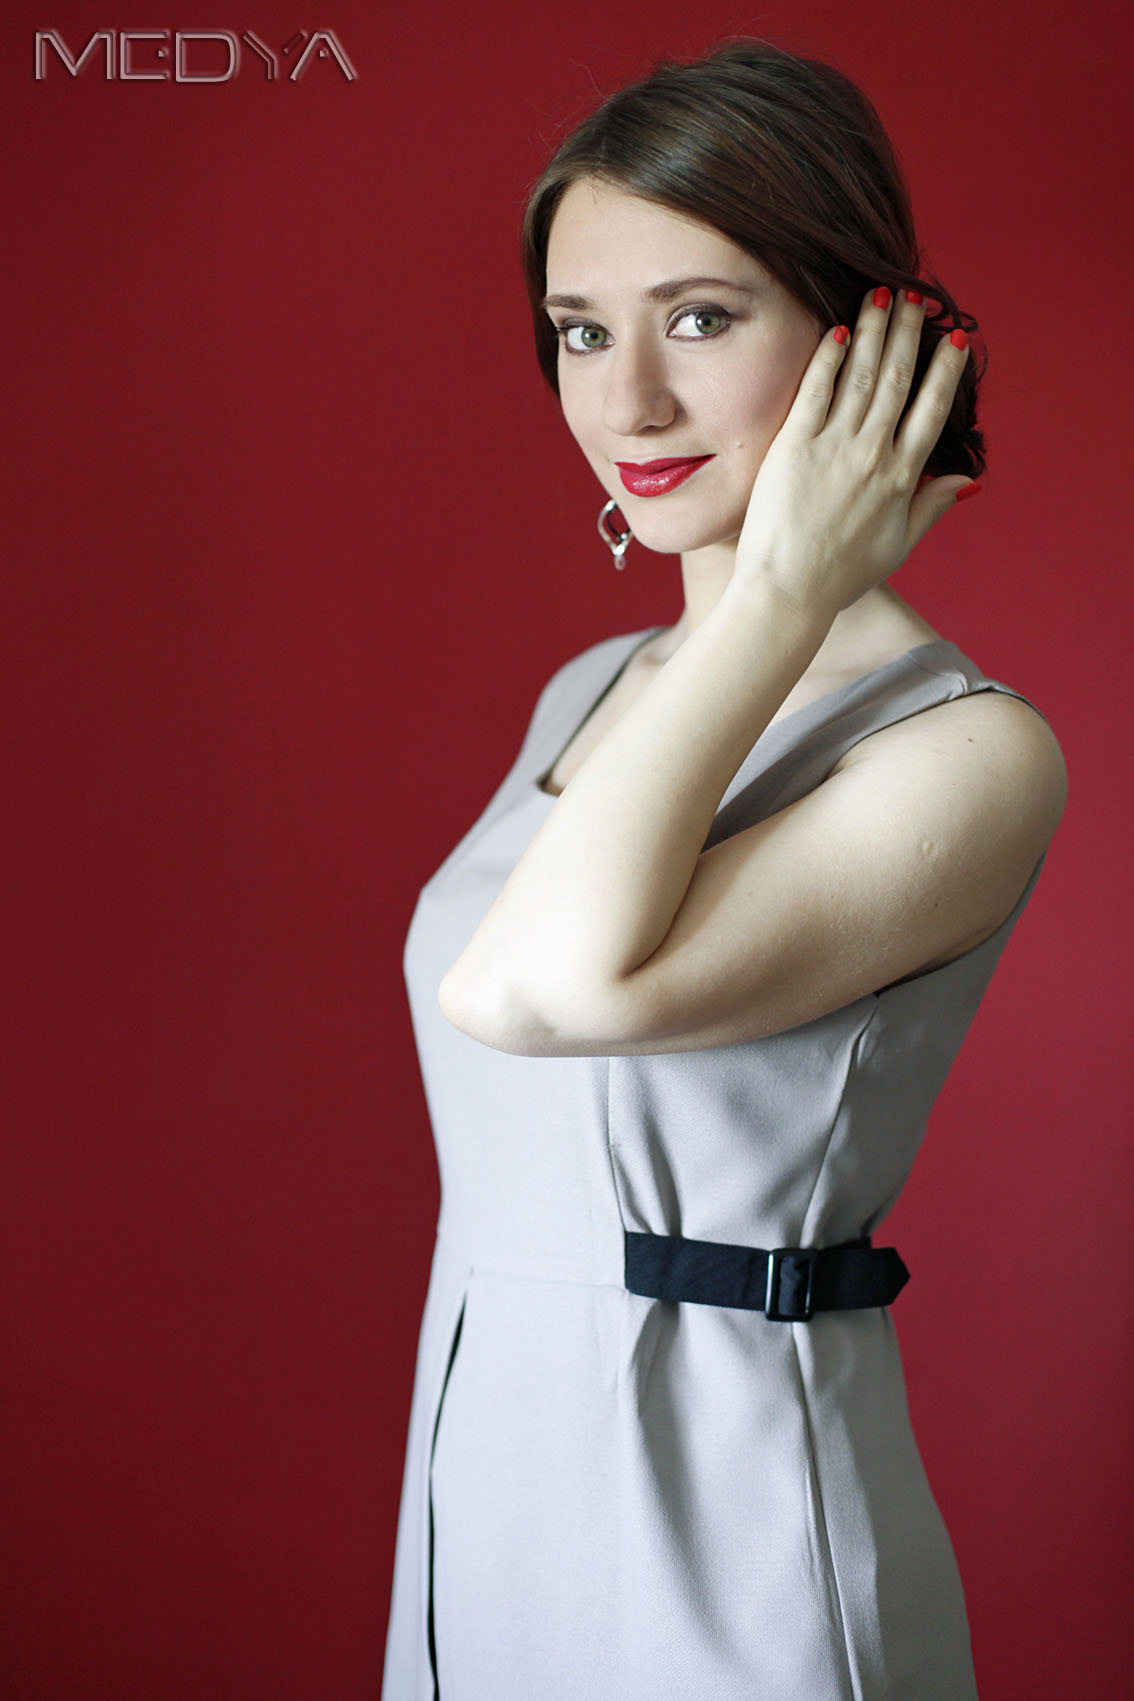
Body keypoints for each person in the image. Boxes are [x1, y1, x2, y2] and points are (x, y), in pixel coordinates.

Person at [381, 37, 1066, 1701]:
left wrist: (775, 593)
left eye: (696, 318)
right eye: (578, 332)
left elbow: (534, 994)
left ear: (859, 340)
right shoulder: (591, 690)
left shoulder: (967, 752)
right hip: (479, 1495)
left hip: (731, 1510)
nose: (626, 403)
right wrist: (740, 618)